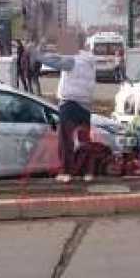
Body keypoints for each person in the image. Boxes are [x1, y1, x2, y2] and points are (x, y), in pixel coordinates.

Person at [39, 35, 97, 183]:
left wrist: (38, 49)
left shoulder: (71, 61)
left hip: (69, 104)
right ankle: (87, 172)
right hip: (85, 105)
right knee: (84, 140)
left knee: (66, 140)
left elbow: (48, 60)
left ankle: (66, 172)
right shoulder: (90, 61)